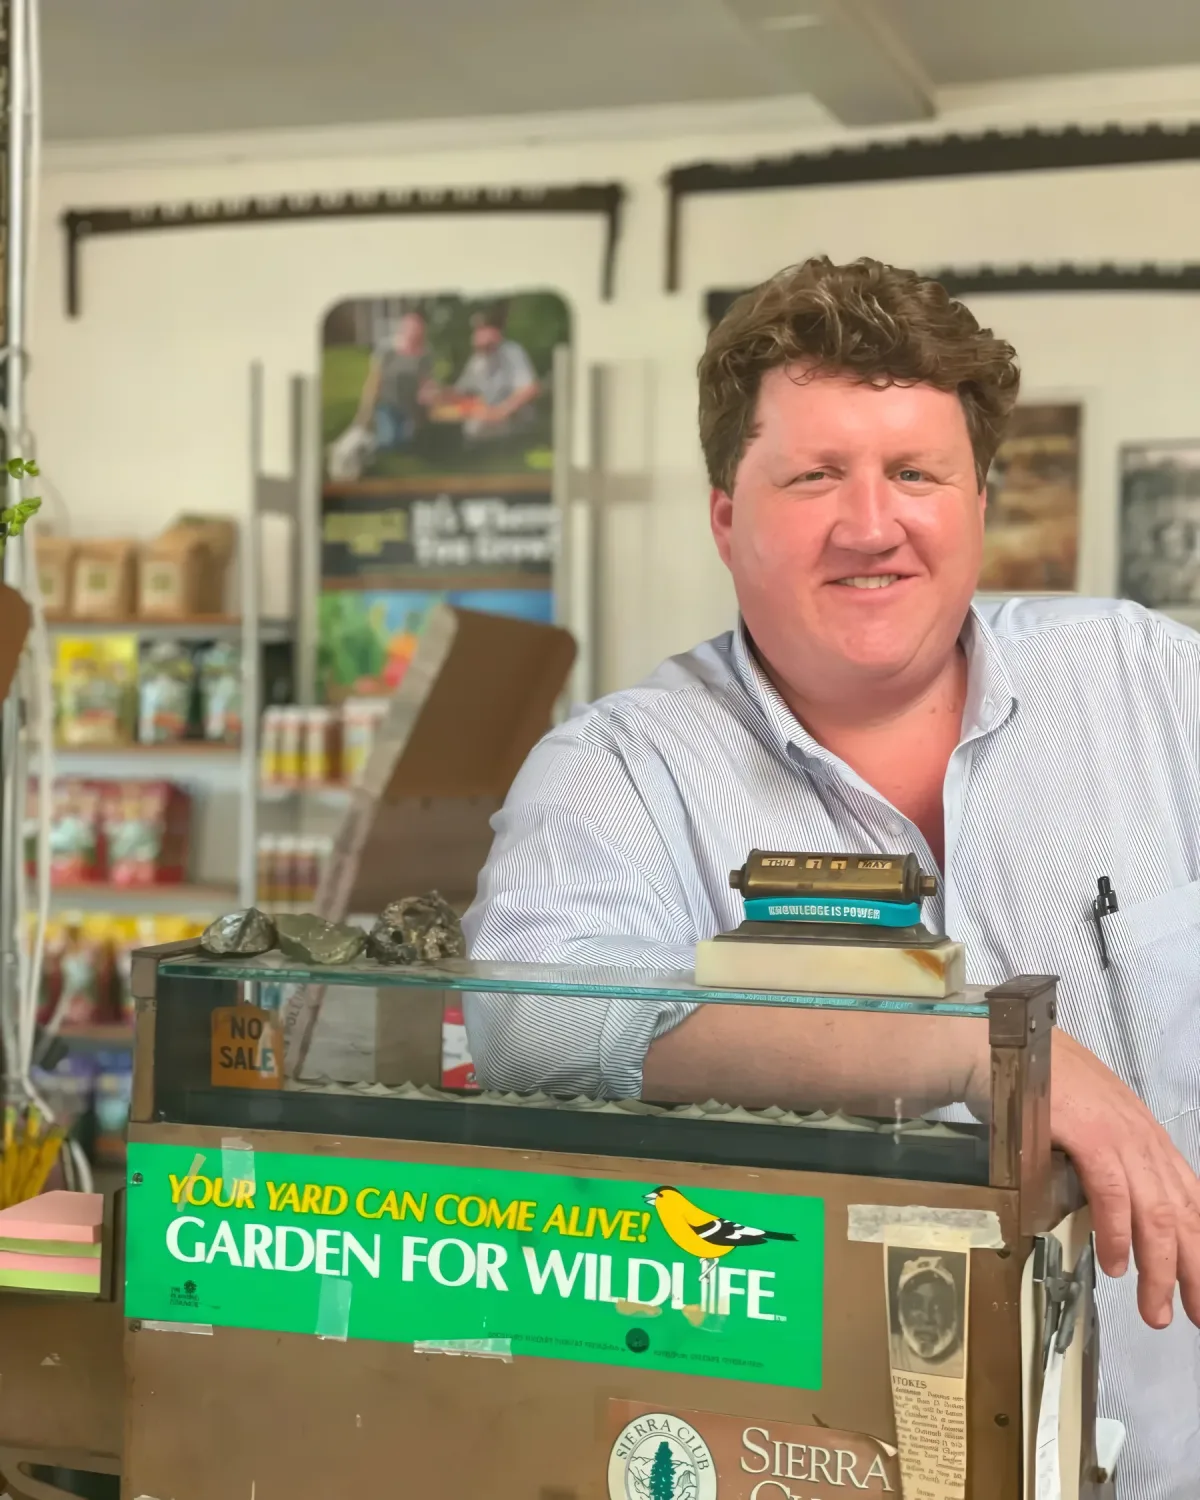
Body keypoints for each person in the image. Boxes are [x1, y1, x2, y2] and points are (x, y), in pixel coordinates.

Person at [462, 257, 1200, 1499]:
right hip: (824, 1465)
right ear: (725, 516)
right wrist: (977, 1047)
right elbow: (538, 1016)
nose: (872, 523)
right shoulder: (622, 771)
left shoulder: (1148, 683)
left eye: (916, 472)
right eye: (815, 476)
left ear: (977, 499)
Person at [450, 306, 540, 441]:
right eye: (477, 330)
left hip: (514, 425)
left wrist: (501, 411)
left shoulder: (512, 351)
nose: (478, 335)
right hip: (485, 427)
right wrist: (438, 394)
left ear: (496, 332)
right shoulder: (477, 360)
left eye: (482, 329)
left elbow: (531, 389)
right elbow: (461, 391)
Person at [353, 309, 436, 451]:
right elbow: (374, 380)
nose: (414, 333)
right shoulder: (387, 349)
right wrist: (364, 413)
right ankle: (369, 438)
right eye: (410, 328)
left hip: (411, 406)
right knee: (389, 442)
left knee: (407, 440)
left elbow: (425, 380)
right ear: (403, 329)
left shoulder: (425, 353)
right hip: (388, 404)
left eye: (418, 329)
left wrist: (428, 392)